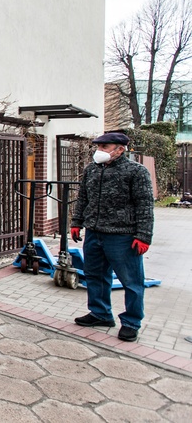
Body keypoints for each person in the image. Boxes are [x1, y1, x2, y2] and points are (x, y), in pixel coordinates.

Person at [71, 131, 154, 342]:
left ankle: (131, 322)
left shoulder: (136, 172)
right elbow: (83, 198)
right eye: (98, 147)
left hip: (122, 236)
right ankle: (100, 313)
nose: (99, 151)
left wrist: (143, 235)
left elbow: (144, 205)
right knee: (95, 275)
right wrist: (77, 222)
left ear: (120, 149)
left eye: (104, 147)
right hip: (94, 233)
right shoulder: (92, 170)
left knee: (131, 281)